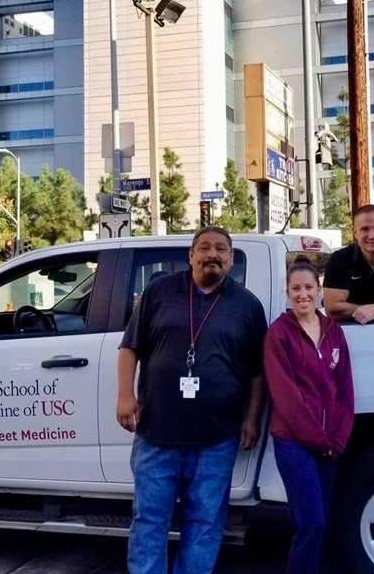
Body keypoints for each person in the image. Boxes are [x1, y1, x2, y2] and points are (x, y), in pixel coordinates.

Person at [117, 225, 268, 574]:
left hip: (217, 438)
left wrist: (251, 418)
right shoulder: (159, 291)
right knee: (149, 520)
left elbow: (258, 371)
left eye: (220, 249)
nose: (212, 253)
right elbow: (130, 348)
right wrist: (125, 395)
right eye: (204, 247)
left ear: (231, 260)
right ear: (190, 255)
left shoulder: (247, 305)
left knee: (205, 523)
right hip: (157, 433)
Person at [264, 257, 354, 574]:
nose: (303, 294)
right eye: (296, 289)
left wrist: (339, 437)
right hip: (294, 442)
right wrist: (320, 439)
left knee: (324, 520)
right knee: (311, 522)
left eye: (308, 287)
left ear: (319, 290)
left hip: (330, 443)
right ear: (287, 293)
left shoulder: (333, 331)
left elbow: (345, 388)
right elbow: (284, 395)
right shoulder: (279, 334)